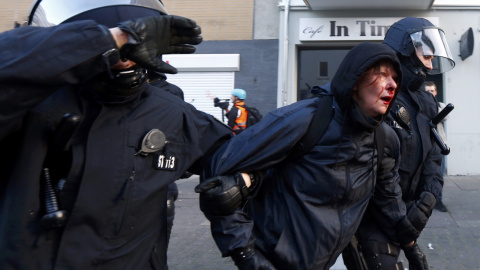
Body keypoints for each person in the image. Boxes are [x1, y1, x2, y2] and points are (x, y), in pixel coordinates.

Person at [0, 1, 233, 269]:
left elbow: (240, 153)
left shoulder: (172, 111)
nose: (126, 56)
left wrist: (244, 181)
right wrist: (111, 39)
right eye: (120, 44)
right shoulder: (28, 106)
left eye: (135, 44)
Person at [195, 42, 419, 270]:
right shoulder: (302, 120)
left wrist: (411, 245)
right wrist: (244, 253)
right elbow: (218, 177)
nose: (392, 85)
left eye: (395, 78)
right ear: (355, 80)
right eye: (381, 75)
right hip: (274, 260)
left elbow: (388, 196)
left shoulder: (385, 139)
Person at [343, 17, 456, 270]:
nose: (429, 64)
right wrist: (401, 223)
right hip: (372, 218)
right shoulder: (378, 97)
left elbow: (435, 158)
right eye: (426, 56)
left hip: (408, 215)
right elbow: (375, 170)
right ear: (405, 50)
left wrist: (425, 205)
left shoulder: (427, 102)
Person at [424, 81, 448, 212]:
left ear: (436, 92)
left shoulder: (441, 105)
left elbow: (446, 116)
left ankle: (438, 201)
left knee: (438, 174)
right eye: (427, 91)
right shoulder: (420, 105)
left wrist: (431, 106)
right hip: (425, 144)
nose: (430, 93)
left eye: (432, 91)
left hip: (438, 145)